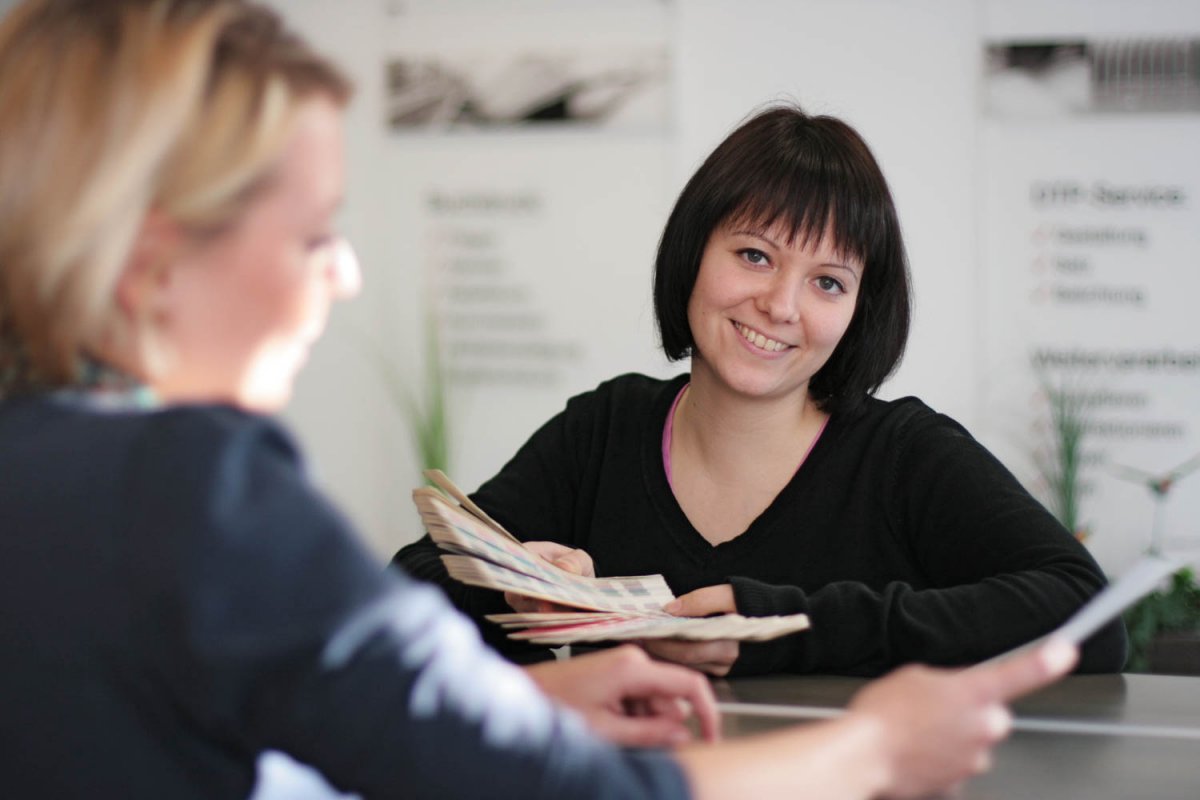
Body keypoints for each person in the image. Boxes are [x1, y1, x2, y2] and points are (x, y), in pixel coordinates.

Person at [0, 1, 1079, 798]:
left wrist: (523, 704)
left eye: (828, 281)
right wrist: (872, 747)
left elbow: (301, 718)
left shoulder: (43, 459)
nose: (346, 274)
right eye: (313, 233)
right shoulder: (199, 486)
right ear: (152, 260)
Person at [393, 105, 1128, 678]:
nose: (780, 305)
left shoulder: (904, 454)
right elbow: (410, 586)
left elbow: (1088, 616)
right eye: (754, 254)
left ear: (860, 309)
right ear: (694, 251)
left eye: (828, 282)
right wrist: (516, 585)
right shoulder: (605, 430)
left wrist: (791, 625)